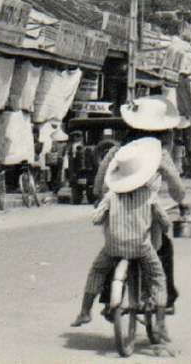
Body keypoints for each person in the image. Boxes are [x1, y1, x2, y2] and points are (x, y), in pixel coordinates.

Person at [91, 97, 188, 312]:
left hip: (115, 212)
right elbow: (177, 190)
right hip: (144, 217)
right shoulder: (160, 154)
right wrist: (180, 199)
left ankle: (108, 299)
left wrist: (99, 199)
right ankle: (165, 299)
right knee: (164, 248)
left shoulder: (117, 150)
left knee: (113, 249)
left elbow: (99, 182)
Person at [73, 138, 170, 343]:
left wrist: (107, 219)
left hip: (113, 247)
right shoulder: (148, 194)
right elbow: (163, 219)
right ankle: (160, 323)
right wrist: (164, 226)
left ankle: (84, 311)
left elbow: (96, 218)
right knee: (158, 277)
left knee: (97, 271)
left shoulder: (111, 194)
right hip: (142, 247)